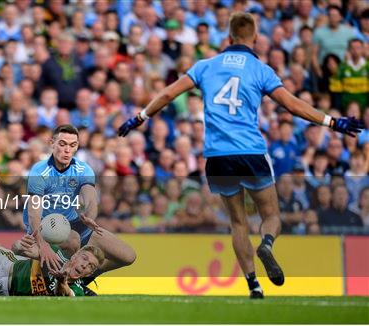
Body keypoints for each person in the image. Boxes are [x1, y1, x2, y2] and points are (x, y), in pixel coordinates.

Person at [118, 12, 364, 299]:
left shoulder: (205, 65)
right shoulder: (260, 69)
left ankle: (253, 285)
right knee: (271, 215)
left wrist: (139, 117)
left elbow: (168, 94)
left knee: (238, 223)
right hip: (250, 151)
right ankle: (268, 243)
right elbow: (292, 105)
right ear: (256, 39)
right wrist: (332, 122)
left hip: (218, 155)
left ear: (229, 38)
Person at [23, 124, 136, 292]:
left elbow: (90, 199)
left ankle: (80, 281)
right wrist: (42, 243)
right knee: (73, 239)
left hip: (74, 222)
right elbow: (33, 213)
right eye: (62, 144)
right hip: (45, 227)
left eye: (72, 145)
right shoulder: (39, 171)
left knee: (128, 256)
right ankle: (63, 282)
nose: (67, 149)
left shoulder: (83, 169)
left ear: (77, 147)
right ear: (52, 143)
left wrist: (90, 216)